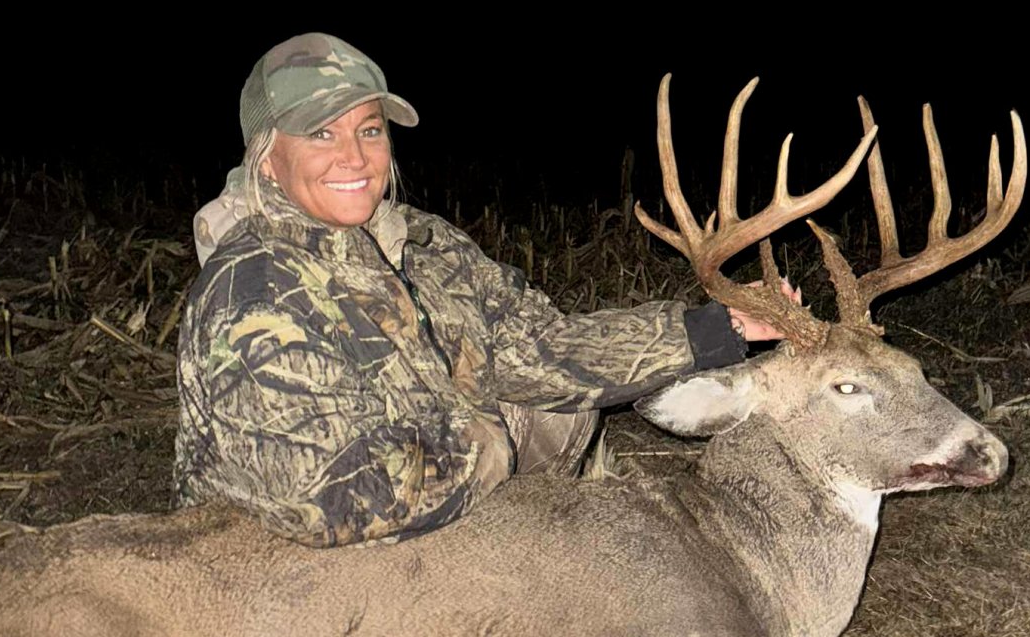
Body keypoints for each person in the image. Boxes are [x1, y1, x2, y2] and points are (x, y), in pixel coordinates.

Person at [175, 33, 793, 549]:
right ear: (265, 157)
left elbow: (542, 344)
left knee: (562, 399)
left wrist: (722, 327)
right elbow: (316, 499)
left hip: (439, 517)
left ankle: (522, 560)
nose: (354, 158)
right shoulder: (251, 287)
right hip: (292, 584)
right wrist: (484, 441)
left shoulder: (423, 244)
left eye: (368, 130)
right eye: (320, 135)